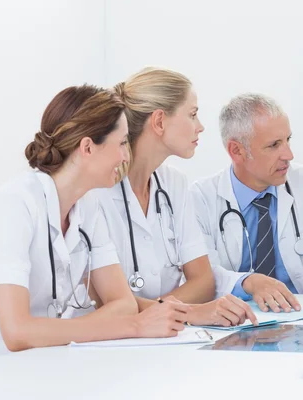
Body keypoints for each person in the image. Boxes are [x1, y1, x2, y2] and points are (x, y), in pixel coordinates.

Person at [0, 85, 193, 358]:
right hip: (0, 362)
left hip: (52, 355)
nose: (125, 156)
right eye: (121, 143)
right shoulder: (15, 203)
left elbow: (123, 304)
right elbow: (17, 333)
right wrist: (133, 327)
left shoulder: (88, 205)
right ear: (87, 147)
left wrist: (59, 330)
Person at [92, 67, 257, 327]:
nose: (200, 127)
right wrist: (188, 313)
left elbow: (203, 283)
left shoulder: (174, 184)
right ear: (159, 122)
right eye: (192, 115)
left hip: (165, 337)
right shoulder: (96, 191)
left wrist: (157, 314)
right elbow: (104, 300)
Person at [190, 93, 303, 312]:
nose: (289, 155)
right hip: (237, 322)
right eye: (274, 145)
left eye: (288, 140)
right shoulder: (200, 198)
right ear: (237, 151)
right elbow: (201, 275)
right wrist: (248, 282)